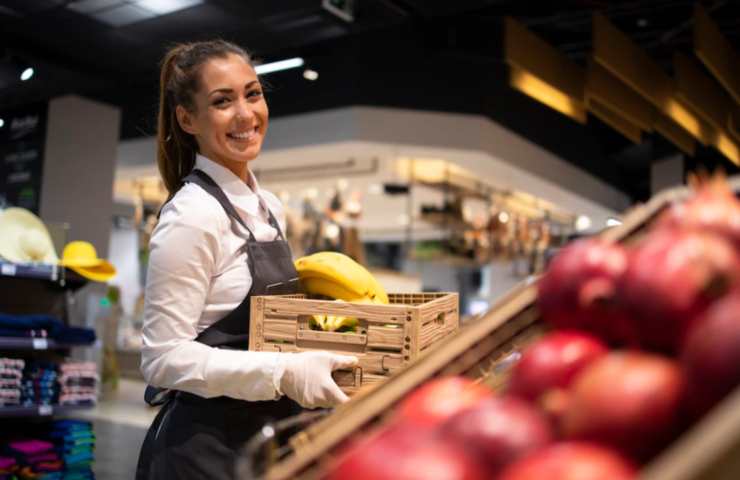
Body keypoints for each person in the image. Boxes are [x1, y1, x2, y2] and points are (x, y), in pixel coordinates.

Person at [135, 40, 357, 480]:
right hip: (201, 451)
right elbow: (162, 358)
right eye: (222, 101)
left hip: (264, 439)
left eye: (252, 94)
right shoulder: (192, 216)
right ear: (187, 119)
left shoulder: (269, 206)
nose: (245, 114)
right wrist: (284, 372)